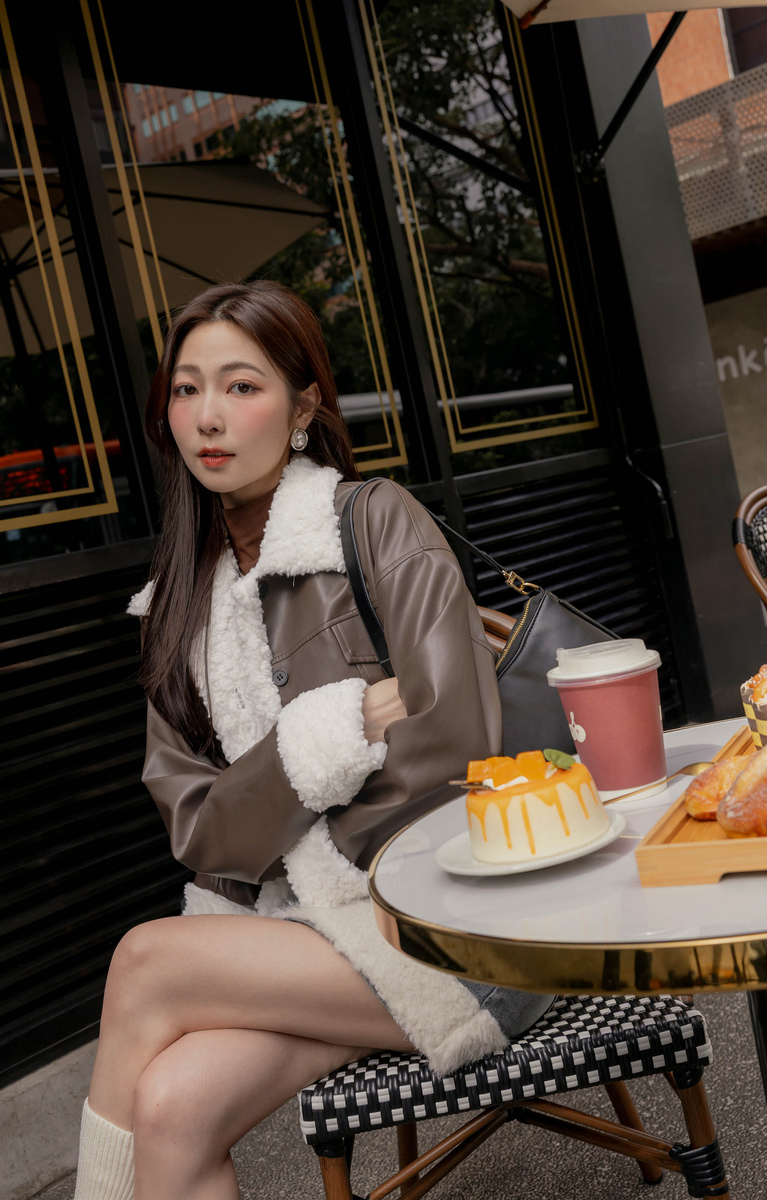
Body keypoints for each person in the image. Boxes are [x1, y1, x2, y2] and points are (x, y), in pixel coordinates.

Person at [73, 281, 554, 1200]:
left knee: (143, 960)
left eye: (241, 386)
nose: (208, 416)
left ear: (302, 409)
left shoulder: (374, 520)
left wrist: (272, 811)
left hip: (456, 928)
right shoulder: (177, 604)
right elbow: (202, 836)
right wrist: (329, 731)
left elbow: (452, 744)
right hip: (304, 944)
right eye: (186, 389)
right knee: (172, 1106)